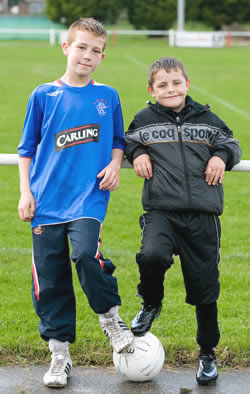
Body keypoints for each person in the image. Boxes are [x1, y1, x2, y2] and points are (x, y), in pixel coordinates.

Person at [17, 17, 133, 388]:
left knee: (85, 254)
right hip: (47, 201)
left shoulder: (107, 96)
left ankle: (110, 316)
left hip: (88, 198)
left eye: (95, 51)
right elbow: (26, 150)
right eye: (81, 47)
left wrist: (115, 164)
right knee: (49, 279)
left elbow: (118, 140)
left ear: (102, 58)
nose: (87, 55)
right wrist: (25, 191)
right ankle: (59, 355)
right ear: (66, 47)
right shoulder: (43, 95)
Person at [125, 56, 241, 385]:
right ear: (152, 89)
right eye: (162, 85)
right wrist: (139, 153)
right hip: (162, 211)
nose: (170, 89)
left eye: (176, 83)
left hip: (203, 216)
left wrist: (220, 156)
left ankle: (207, 354)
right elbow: (128, 141)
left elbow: (232, 144)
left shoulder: (208, 119)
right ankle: (150, 303)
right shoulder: (144, 119)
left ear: (187, 84)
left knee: (205, 290)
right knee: (151, 255)